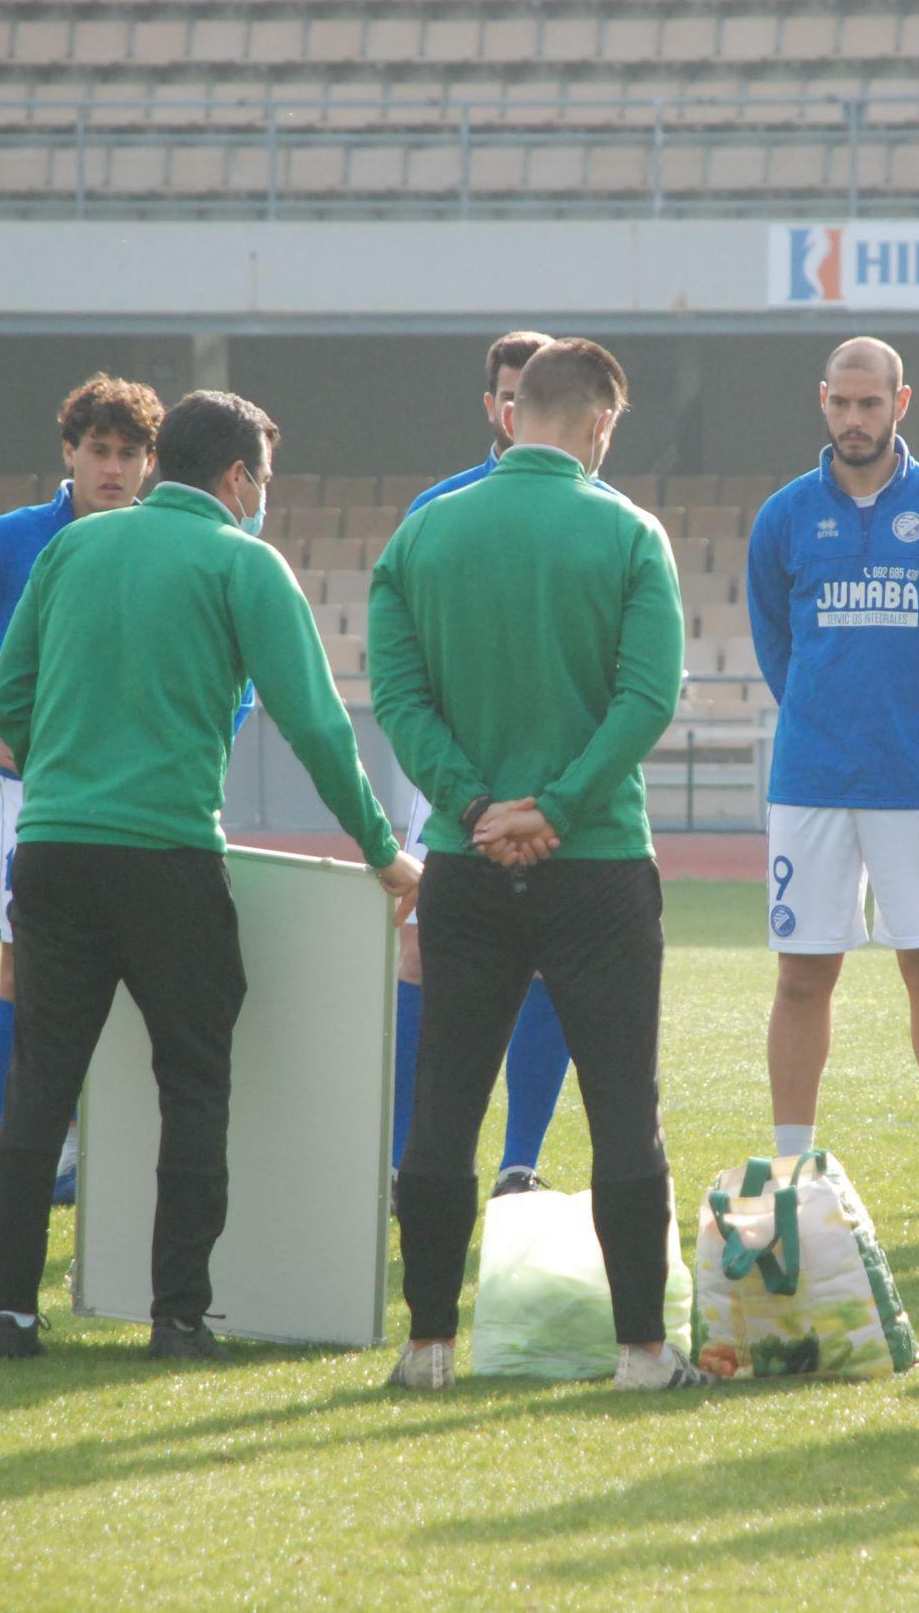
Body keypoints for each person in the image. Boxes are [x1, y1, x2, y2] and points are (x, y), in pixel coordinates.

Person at [0, 389, 413, 1360]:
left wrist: (69, 774)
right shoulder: (243, 561)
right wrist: (383, 850)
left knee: (41, 1085)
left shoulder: (74, 547)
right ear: (238, 477)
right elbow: (314, 725)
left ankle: (9, 1311)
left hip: (51, 847)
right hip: (168, 853)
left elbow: (9, 697)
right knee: (195, 1083)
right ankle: (177, 1314)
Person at [370, 338, 700, 1390]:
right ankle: (642, 1351)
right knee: (620, 1110)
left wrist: (473, 806)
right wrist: (556, 806)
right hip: (595, 858)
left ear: (513, 414)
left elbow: (398, 700)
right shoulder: (627, 531)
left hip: (464, 862)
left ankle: (426, 1345)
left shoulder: (422, 534)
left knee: (442, 1102)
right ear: (600, 423)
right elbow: (644, 700)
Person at [747, 337, 919, 1219]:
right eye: (841, 403)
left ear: (901, 405)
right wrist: (830, 711)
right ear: (823, 401)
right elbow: (777, 646)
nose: (854, 419)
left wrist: (914, 709)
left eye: (871, 404)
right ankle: (790, 1173)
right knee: (800, 976)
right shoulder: (784, 516)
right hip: (811, 779)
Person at [0, 372, 162, 1217]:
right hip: (44, 795)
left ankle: (116, 1157)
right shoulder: (15, 539)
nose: (114, 468)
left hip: (153, 797)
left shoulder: (173, 541)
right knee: (24, 970)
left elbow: (231, 664)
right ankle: (16, 1160)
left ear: (150, 463)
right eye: (100, 450)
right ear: (69, 452)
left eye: (130, 453)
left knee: (148, 977)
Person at [389, 330, 576, 1202]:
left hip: (554, 805)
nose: (514, 409)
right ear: (491, 404)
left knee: (548, 965)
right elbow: (408, 676)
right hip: (451, 790)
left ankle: (518, 1163)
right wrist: (466, 799)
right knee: (422, 960)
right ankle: (403, 1160)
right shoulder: (436, 511)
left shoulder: (598, 508)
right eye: (503, 394)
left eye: (527, 394)